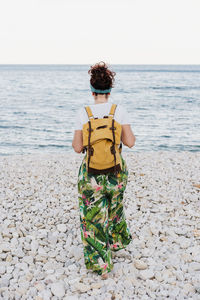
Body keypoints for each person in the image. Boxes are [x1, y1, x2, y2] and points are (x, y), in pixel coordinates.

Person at [72, 61, 136, 279]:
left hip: (90, 175)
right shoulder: (119, 111)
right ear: (109, 90)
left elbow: (77, 147)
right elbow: (130, 142)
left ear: (92, 91)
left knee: (92, 217)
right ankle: (116, 243)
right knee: (114, 208)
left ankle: (101, 264)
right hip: (116, 173)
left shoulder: (84, 113)